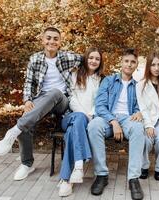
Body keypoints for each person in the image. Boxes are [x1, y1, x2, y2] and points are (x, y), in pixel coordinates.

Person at [0, 27, 82, 181]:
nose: (52, 41)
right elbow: (29, 82)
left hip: (62, 101)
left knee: (55, 92)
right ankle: (27, 164)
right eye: (48, 38)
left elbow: (88, 59)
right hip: (41, 99)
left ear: (60, 42)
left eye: (56, 38)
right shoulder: (35, 59)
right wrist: (27, 99)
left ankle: (13, 131)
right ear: (42, 40)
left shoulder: (68, 56)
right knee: (26, 117)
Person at [87, 48, 145, 200]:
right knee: (93, 126)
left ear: (136, 65)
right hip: (107, 117)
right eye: (126, 61)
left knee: (138, 129)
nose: (129, 64)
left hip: (128, 119)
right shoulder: (109, 80)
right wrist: (113, 121)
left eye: (133, 62)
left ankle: (133, 178)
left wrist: (140, 112)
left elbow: (142, 106)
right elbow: (99, 105)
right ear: (121, 62)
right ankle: (101, 175)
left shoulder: (138, 85)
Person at [58, 47, 104, 197]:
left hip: (88, 120)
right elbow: (71, 99)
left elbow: (100, 102)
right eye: (91, 57)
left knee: (72, 132)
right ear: (85, 58)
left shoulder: (102, 80)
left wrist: (91, 115)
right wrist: (84, 115)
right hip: (71, 117)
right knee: (78, 118)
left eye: (97, 59)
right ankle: (78, 163)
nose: (94, 61)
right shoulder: (75, 74)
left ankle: (67, 180)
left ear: (100, 62)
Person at [136, 51, 159, 181]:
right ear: (148, 67)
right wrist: (148, 125)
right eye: (153, 65)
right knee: (145, 140)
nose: (156, 68)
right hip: (148, 120)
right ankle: (144, 165)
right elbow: (142, 107)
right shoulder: (141, 85)